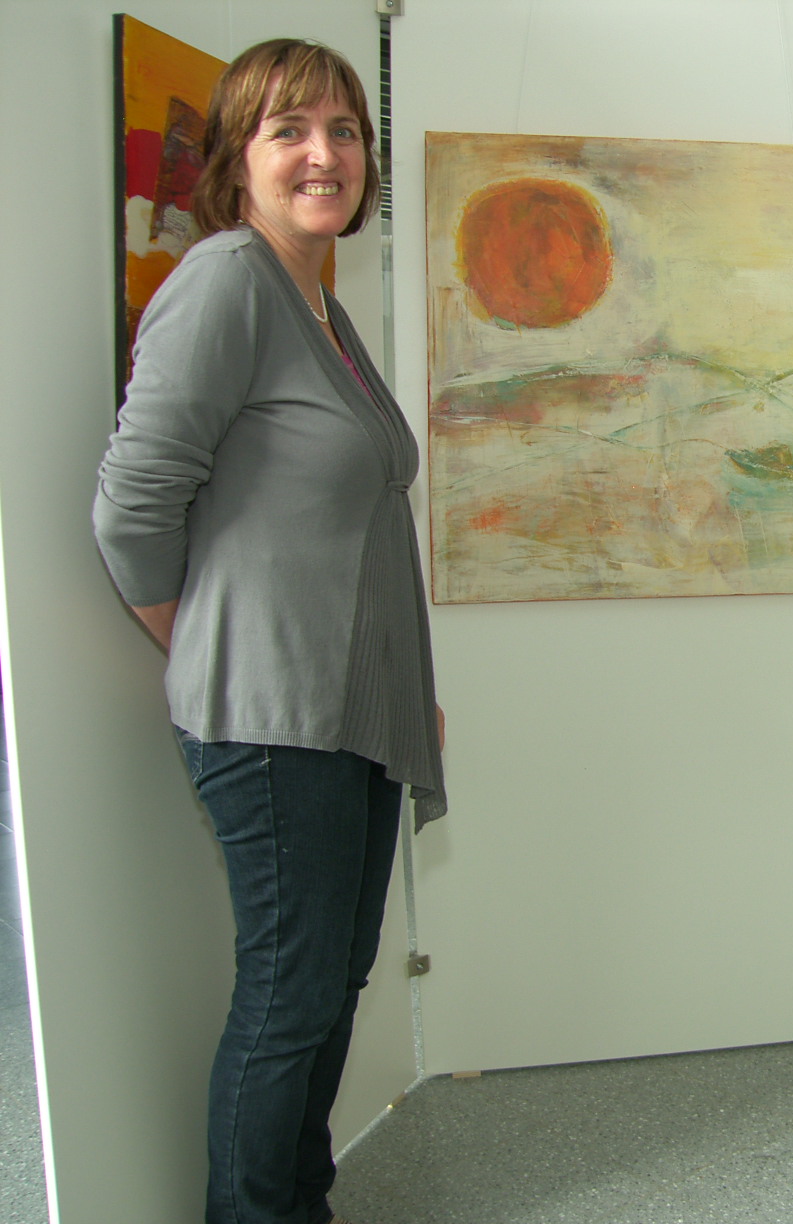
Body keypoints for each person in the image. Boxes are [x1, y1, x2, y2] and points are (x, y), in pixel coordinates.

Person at [93, 39, 445, 1223]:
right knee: (291, 995)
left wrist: (405, 690)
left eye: (344, 130)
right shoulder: (228, 281)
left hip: (352, 712)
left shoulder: (318, 306)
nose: (323, 153)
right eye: (288, 129)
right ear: (236, 158)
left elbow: (342, 526)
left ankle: (298, 1203)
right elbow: (132, 504)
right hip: (274, 715)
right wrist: (205, 643)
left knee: (332, 984)